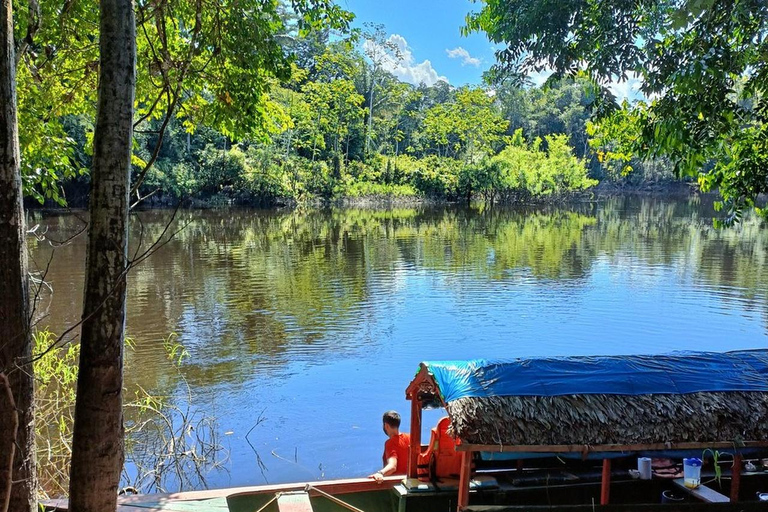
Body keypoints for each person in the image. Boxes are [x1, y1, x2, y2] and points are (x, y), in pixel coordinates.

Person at [369, 410, 410, 483]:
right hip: (410, 481)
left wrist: (380, 473)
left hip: (397, 484)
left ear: (386, 425)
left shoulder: (390, 443)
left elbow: (392, 466)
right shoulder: (411, 438)